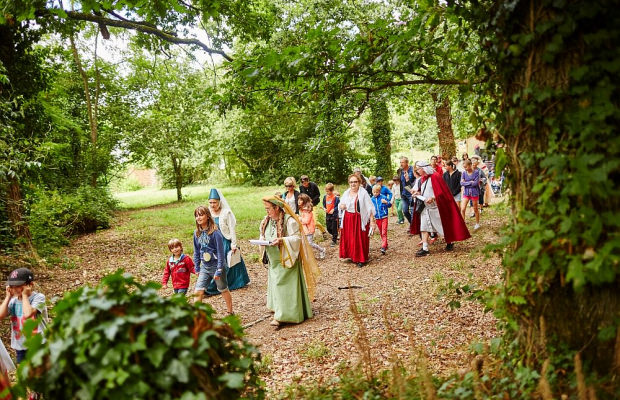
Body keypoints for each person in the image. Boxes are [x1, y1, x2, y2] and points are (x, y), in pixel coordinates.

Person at [260, 196, 320, 327]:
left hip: (287, 258)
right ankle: (278, 308)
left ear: (277, 208)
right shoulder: (266, 221)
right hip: (274, 259)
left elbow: (297, 239)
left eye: (269, 209)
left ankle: (284, 315)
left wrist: (282, 240)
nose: (267, 212)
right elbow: (263, 234)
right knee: (276, 284)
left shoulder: (290, 221)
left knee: (284, 286)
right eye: (266, 209)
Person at [411, 161, 471, 256]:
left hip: (436, 207)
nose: (417, 171)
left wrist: (433, 198)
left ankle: (449, 242)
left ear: (423, 168)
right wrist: (419, 193)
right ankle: (425, 248)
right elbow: (424, 190)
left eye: (418, 169)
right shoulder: (422, 179)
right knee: (424, 227)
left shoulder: (435, 177)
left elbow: (442, 192)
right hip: (425, 207)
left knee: (442, 227)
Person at [0, 268, 48, 364]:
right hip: (20, 346)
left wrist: (25, 296)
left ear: (30, 285)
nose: (15, 289)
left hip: (38, 343)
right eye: (12, 286)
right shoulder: (13, 301)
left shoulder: (39, 298)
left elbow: (28, 314)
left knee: (40, 373)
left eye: (18, 286)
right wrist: (8, 297)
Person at [207, 188, 251, 295]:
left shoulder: (226, 213)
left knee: (227, 264)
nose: (213, 205)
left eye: (215, 202)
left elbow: (232, 229)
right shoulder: (208, 213)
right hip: (214, 243)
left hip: (225, 241)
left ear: (219, 202)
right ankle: (213, 286)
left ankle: (220, 287)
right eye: (211, 202)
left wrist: (233, 244)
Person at [193, 206, 233, 314]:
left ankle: (230, 312)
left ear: (207, 216)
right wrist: (197, 267)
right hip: (205, 267)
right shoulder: (196, 233)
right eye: (197, 215)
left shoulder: (216, 233)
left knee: (223, 289)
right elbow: (196, 251)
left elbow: (221, 253)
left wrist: (219, 269)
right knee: (198, 291)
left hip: (217, 266)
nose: (199, 217)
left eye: (201, 215)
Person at [339, 174, 375, 267]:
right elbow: (341, 204)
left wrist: (372, 222)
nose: (353, 184)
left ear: (359, 183)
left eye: (355, 182)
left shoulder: (363, 193)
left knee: (359, 238)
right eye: (351, 182)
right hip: (348, 218)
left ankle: (361, 259)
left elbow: (369, 208)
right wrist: (342, 206)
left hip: (359, 219)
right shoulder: (347, 192)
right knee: (350, 238)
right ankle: (352, 255)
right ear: (349, 183)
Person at [298, 193, 326, 259]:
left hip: (309, 230)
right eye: (298, 199)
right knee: (304, 243)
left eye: (301, 200)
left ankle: (322, 250)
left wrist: (299, 218)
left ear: (304, 201)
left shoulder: (307, 210)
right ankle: (306, 256)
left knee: (310, 243)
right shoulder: (302, 209)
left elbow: (306, 221)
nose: (299, 201)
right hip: (305, 229)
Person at [460, 159, 481, 230]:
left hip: (474, 192)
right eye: (464, 167)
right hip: (466, 193)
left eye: (465, 167)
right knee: (462, 209)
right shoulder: (463, 173)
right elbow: (461, 183)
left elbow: (475, 183)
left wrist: (466, 182)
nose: (465, 168)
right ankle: (462, 223)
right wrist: (470, 182)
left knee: (475, 208)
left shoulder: (476, 172)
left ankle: (477, 223)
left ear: (470, 165)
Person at [371, 184, 391, 255]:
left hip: (384, 217)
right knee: (381, 232)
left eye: (377, 192)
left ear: (379, 192)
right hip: (377, 218)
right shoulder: (372, 199)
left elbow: (390, 205)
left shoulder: (383, 197)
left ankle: (383, 247)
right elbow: (371, 209)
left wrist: (386, 202)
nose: (375, 193)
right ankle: (386, 244)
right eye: (374, 192)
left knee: (384, 232)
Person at [399, 157, 415, 223]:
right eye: (400, 162)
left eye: (402, 162)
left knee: (413, 212)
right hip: (404, 194)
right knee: (405, 211)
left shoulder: (412, 170)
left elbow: (414, 182)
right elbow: (401, 183)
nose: (401, 164)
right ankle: (412, 224)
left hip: (411, 194)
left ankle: (413, 227)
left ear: (407, 163)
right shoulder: (400, 171)